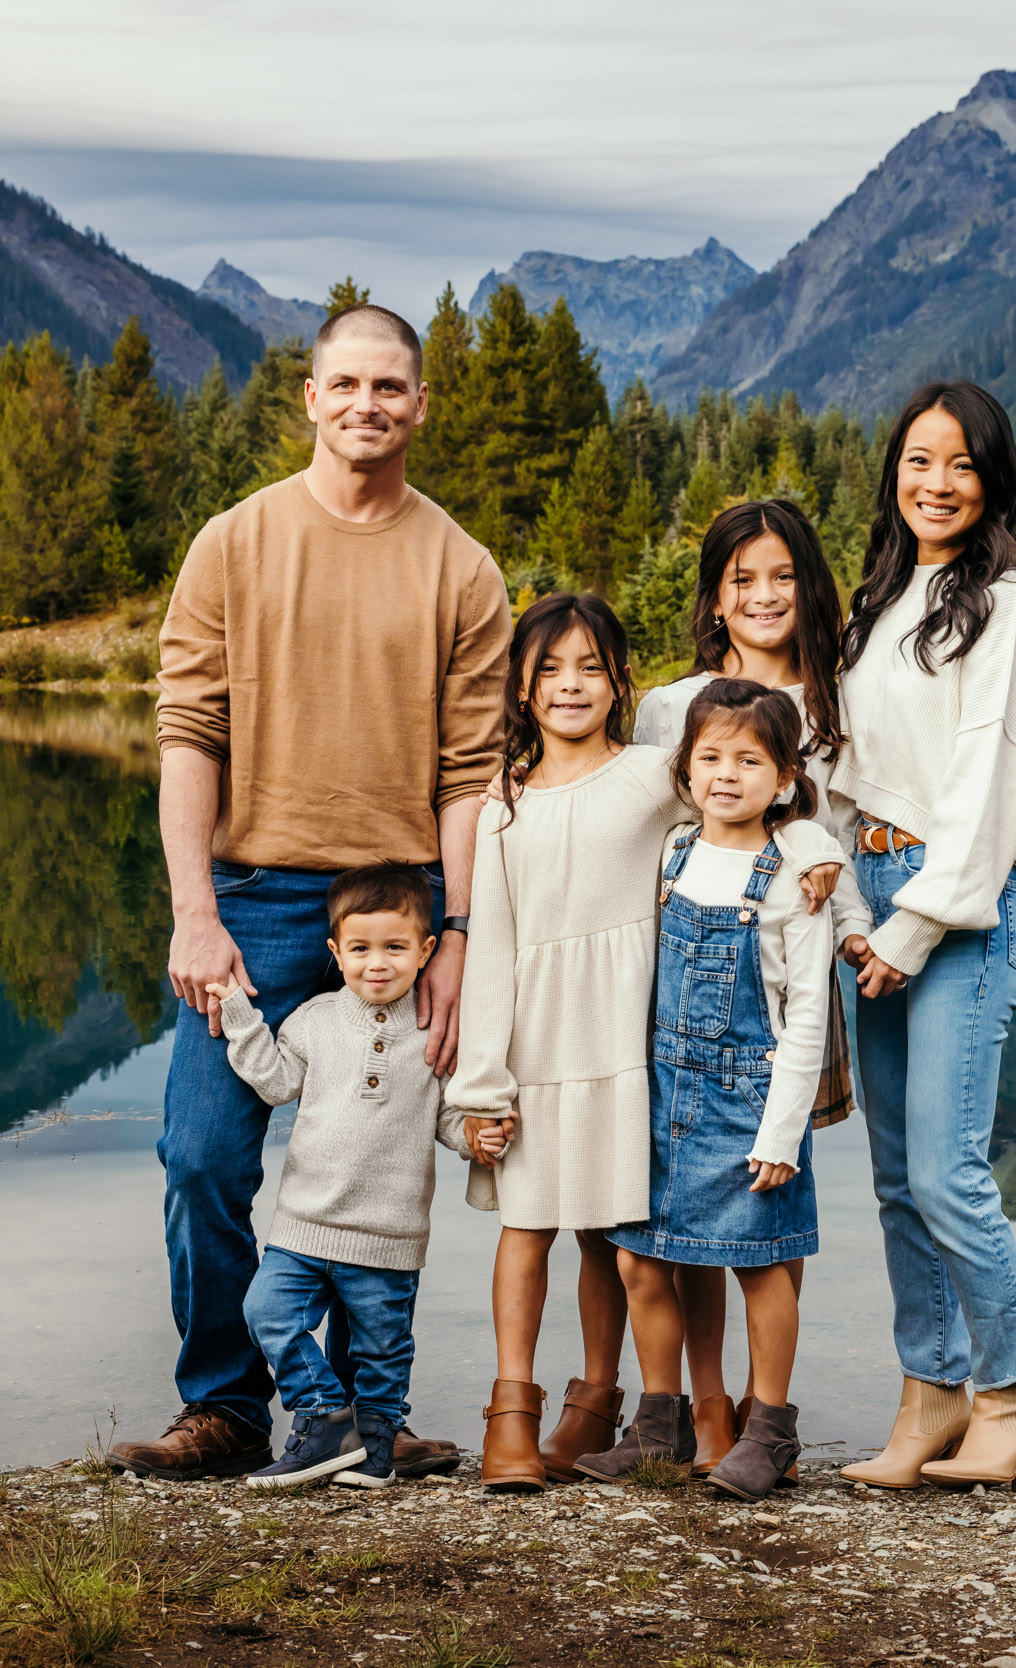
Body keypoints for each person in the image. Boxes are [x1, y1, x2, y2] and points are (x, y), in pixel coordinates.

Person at [114, 302, 509, 1482]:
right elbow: (187, 731)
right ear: (309, 396)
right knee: (201, 1156)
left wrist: (454, 929)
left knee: (380, 1171)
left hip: (395, 910)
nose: (367, 406)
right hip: (251, 902)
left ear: (421, 403)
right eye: (346, 386)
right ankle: (229, 1407)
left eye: (390, 387)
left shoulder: (462, 567)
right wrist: (195, 910)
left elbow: (471, 769)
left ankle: (358, 1420)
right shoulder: (232, 543)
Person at [825, 380, 1016, 1493]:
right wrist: (850, 913)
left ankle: (1012, 1398)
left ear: (993, 482)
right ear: (895, 471)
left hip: (963, 909)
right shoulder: (885, 597)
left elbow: (987, 787)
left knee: (945, 1171)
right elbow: (839, 773)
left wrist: (916, 924)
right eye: (920, 461)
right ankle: (929, 1393)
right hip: (877, 892)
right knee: (893, 1177)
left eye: (962, 465)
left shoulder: (1007, 605)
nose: (937, 483)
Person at [631, 499, 867, 1478]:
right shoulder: (665, 706)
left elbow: (834, 828)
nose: (763, 595)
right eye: (741, 579)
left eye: (781, 576)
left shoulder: (837, 705)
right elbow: (653, 833)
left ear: (809, 589)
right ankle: (702, 1414)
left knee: (769, 1211)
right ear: (714, 598)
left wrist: (814, 856)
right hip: (674, 991)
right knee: (675, 1214)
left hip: (785, 971)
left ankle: (767, 1422)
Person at [586, 682, 845, 1500]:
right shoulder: (673, 852)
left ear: (786, 778)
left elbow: (806, 1019)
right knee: (637, 1257)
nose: (726, 775)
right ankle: (659, 1427)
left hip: (749, 1097)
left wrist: (780, 1132)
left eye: (749, 761)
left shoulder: (796, 879)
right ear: (684, 769)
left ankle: (769, 1431)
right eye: (710, 758)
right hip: (663, 1090)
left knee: (762, 1265)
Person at [447, 593, 676, 1493]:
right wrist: (480, 1090)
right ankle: (512, 1413)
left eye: (590, 666)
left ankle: (598, 1404)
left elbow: (754, 817)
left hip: (629, 1036)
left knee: (611, 1237)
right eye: (550, 669)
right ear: (522, 687)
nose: (571, 685)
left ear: (621, 680)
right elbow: (492, 951)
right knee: (528, 1225)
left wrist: (811, 845)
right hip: (537, 1042)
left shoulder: (661, 776)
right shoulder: (497, 804)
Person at [208, 865, 474, 1489]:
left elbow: (450, 1118)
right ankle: (325, 1416)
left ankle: (375, 1453)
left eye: (395, 947)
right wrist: (243, 1018)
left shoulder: (434, 1030)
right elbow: (275, 1082)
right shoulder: (314, 1019)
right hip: (303, 1224)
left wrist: (478, 1138)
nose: (376, 963)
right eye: (359, 949)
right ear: (336, 951)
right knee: (266, 1310)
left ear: (426, 949)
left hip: (388, 1233)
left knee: (382, 1353)